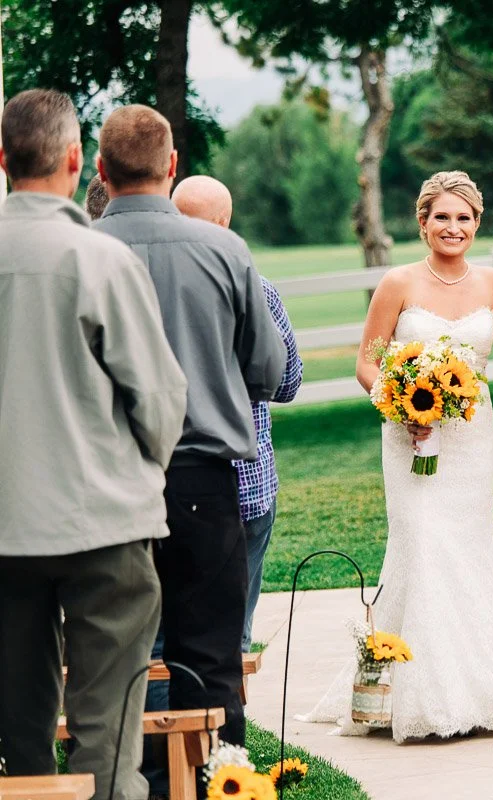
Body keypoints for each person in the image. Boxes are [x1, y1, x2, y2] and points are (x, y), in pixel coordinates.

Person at [301, 171, 493, 742]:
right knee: (419, 543)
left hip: (471, 439)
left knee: (468, 547)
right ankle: (407, 693)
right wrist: (400, 406)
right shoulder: (397, 283)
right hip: (408, 436)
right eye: (442, 217)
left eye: (464, 218)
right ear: (422, 222)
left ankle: (482, 686)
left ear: (477, 224)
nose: (454, 227)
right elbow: (367, 364)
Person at [0, 89, 187, 800]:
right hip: (103, 521)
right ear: (80, 160)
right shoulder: (99, 258)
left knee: (18, 722)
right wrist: (143, 472)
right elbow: (160, 397)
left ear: (2, 159)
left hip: (4, 528)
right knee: (107, 734)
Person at [93, 105, 286, 751]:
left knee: (131, 646)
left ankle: (145, 781)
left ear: (100, 169)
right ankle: (213, 777)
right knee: (209, 652)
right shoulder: (224, 249)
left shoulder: (81, 253)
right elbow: (269, 369)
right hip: (204, 477)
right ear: (170, 166)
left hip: (107, 479)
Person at [172, 174, 304, 651]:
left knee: (172, 631)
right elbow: (287, 383)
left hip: (171, 479)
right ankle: (226, 724)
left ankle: (168, 722)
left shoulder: (151, 288)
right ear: (226, 222)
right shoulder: (258, 290)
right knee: (232, 634)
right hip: (246, 482)